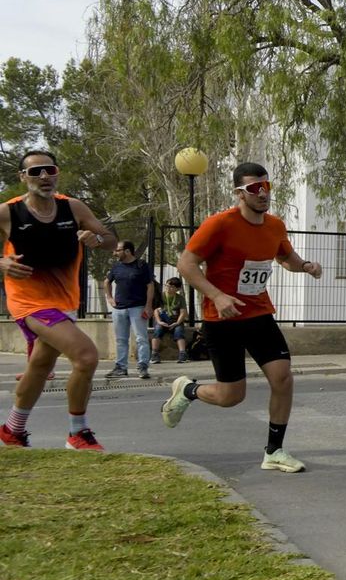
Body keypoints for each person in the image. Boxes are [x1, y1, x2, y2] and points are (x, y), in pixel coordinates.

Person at [160, 162, 324, 472]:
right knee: (231, 396)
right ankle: (188, 390)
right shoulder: (220, 224)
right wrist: (217, 296)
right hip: (222, 318)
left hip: (258, 313)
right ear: (239, 193)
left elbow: (286, 258)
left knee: (283, 377)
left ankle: (274, 451)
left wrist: (305, 266)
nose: (262, 193)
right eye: (254, 188)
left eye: (266, 186)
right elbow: (186, 264)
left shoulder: (275, 226)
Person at [0, 150, 115, 450]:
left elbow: (110, 240)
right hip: (28, 301)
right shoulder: (8, 212)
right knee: (86, 356)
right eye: (35, 172)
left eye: (49, 170)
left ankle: (12, 430)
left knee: (40, 366)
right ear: (22, 177)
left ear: (57, 173)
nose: (44, 177)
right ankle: (78, 432)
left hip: (65, 302)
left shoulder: (72, 207)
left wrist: (96, 239)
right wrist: (2, 263)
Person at [105, 239, 155, 380]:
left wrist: (148, 305)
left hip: (138, 308)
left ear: (127, 251)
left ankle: (143, 367)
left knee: (141, 338)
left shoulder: (141, 265)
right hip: (119, 309)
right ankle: (121, 367)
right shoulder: (116, 267)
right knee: (121, 339)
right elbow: (107, 281)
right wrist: (109, 298)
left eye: (118, 250)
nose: (115, 253)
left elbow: (150, 286)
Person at [151, 277, 190, 363]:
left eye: (171, 287)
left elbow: (183, 312)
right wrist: (159, 321)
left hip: (175, 320)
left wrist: (177, 323)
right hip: (162, 320)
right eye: (167, 286)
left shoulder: (180, 298)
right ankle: (154, 354)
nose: (168, 288)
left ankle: (182, 354)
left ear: (177, 289)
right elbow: (156, 310)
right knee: (157, 330)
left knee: (179, 331)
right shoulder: (161, 296)